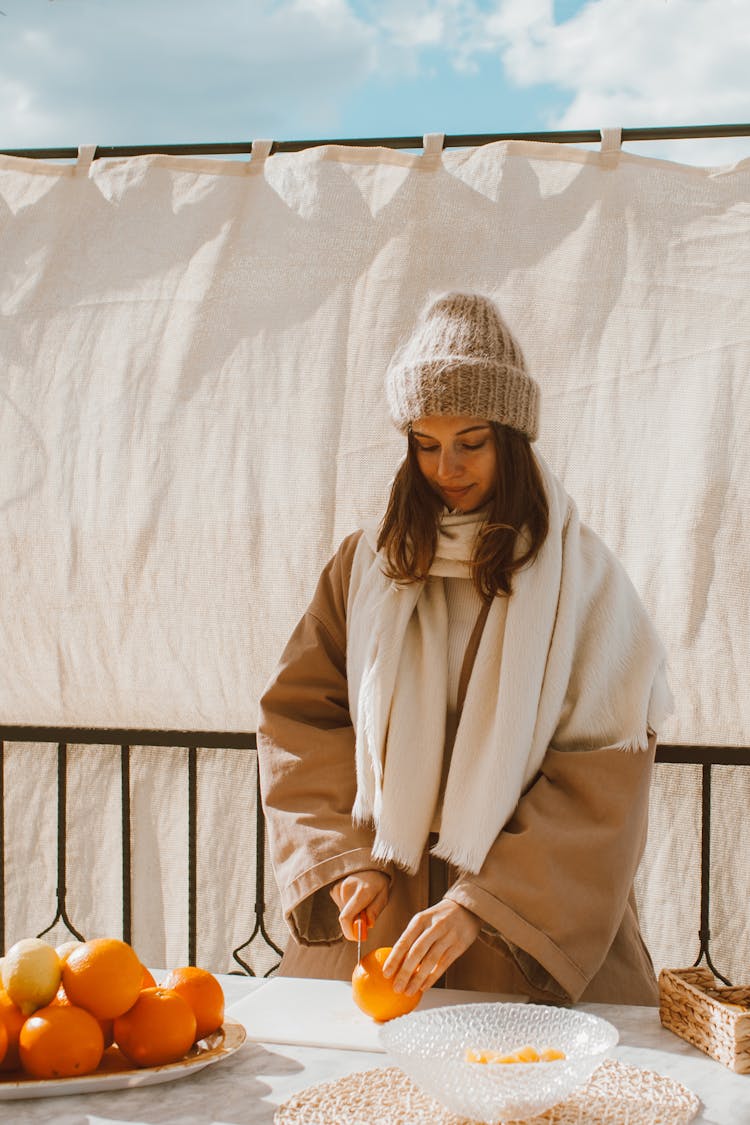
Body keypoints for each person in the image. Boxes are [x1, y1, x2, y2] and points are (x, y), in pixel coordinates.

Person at [257, 291, 672, 1005]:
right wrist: (346, 860)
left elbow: (600, 784)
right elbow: (301, 719)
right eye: (426, 443)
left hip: (521, 928)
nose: (446, 466)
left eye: (470, 442)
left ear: (511, 437)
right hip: (384, 911)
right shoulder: (365, 567)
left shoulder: (589, 583)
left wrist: (483, 904)